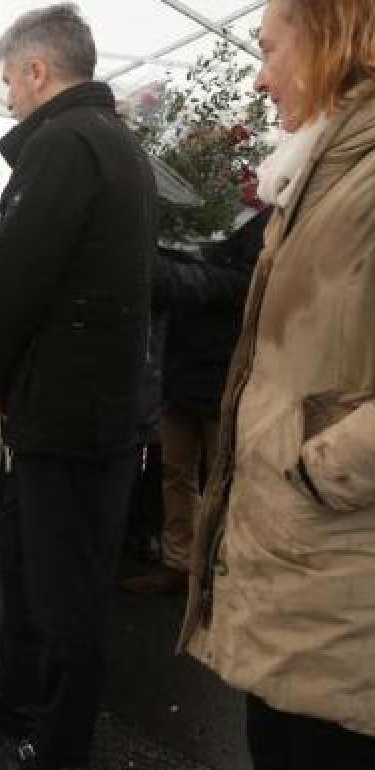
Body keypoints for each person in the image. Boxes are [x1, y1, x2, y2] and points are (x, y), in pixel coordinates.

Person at [0, 6, 157, 769]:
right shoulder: (110, 140)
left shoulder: (65, 143)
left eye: (9, 79)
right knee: (42, 558)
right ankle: (23, 695)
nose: (7, 97)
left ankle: (63, 741)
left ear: (38, 71)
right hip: (95, 401)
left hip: (68, 407)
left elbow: (22, 276)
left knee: (67, 582)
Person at [181, 2, 375, 767]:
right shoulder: (327, 162)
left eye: (267, 49)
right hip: (303, 573)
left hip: (339, 574)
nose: (259, 76)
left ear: (328, 33)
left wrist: (321, 468)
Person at [120, 209, 265, 595]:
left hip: (227, 377)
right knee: (174, 474)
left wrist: (176, 271)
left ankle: (221, 573)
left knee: (225, 482)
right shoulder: (193, 213)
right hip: (181, 373)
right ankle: (179, 563)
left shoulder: (266, 220)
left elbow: (248, 285)